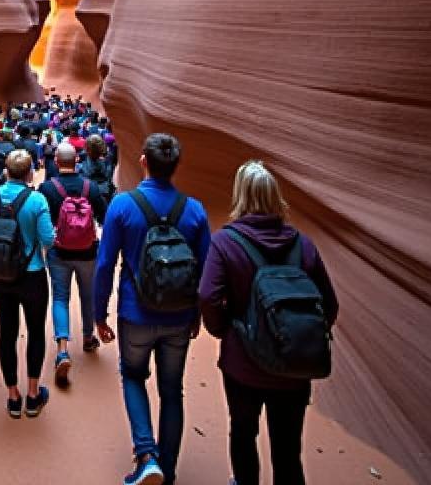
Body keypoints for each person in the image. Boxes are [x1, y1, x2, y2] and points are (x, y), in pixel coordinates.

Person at [199, 161, 338, 485]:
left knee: (244, 434)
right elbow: (329, 305)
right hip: (293, 369)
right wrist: (301, 337)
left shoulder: (226, 242)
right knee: (288, 449)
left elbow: (207, 295)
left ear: (240, 196)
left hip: (243, 366)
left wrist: (224, 331)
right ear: (276, 198)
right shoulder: (303, 245)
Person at [94, 133, 211, 485]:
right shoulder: (194, 211)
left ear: (143, 160)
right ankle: (169, 470)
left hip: (135, 314)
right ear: (177, 165)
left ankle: (147, 456)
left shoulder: (122, 206)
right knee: (172, 390)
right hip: (178, 318)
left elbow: (104, 265)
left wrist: (98, 314)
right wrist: (197, 314)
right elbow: (206, 270)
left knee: (132, 375)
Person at [0, 149, 56, 419]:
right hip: (32, 276)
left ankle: (12, 397)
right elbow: (48, 239)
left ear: (6, 170)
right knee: (35, 332)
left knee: (7, 334)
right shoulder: (37, 199)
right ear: (30, 171)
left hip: (2, 277)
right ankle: (33, 395)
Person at [39, 142, 108, 387]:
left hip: (59, 253)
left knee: (60, 297)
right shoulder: (91, 187)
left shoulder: (47, 189)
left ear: (56, 161)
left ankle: (62, 350)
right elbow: (104, 217)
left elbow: (43, 220)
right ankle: (88, 338)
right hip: (88, 252)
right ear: (77, 160)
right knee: (87, 294)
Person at [81, 133, 116, 204]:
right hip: (104, 194)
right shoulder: (109, 161)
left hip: (89, 195)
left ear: (87, 149)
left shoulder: (82, 162)